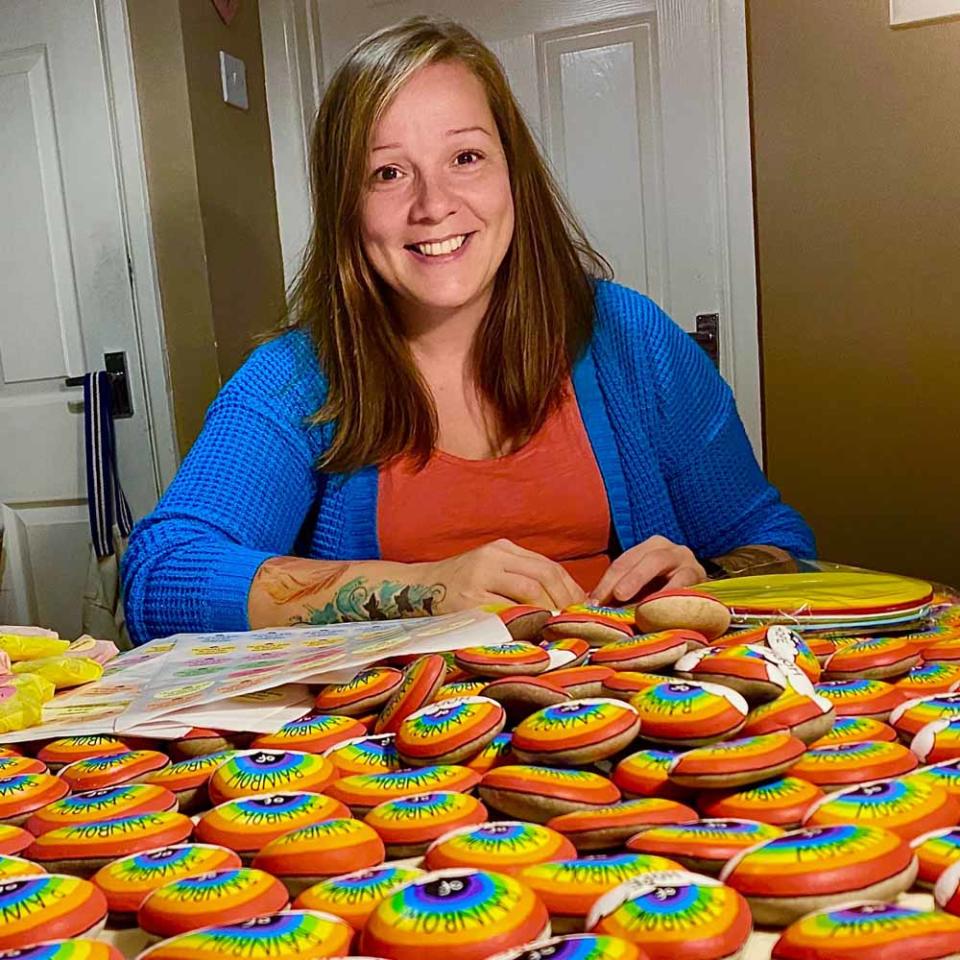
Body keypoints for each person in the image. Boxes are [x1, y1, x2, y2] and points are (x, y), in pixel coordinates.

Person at [121, 16, 815, 646]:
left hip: (635, 729)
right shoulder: (299, 378)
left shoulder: (630, 337)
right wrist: (421, 590)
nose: (433, 205)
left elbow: (780, 546)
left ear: (515, 173)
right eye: (387, 172)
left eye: (466, 158)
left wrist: (712, 574)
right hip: (397, 761)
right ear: (346, 205)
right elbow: (160, 577)